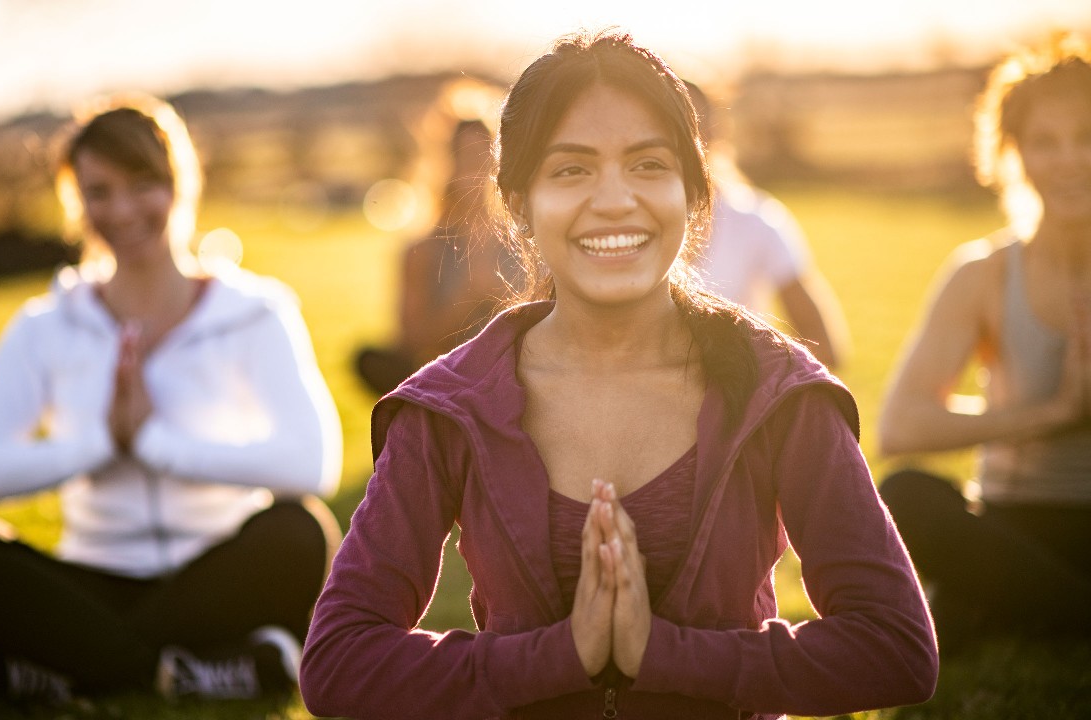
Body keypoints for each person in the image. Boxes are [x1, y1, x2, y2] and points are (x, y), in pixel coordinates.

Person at [301, 31, 936, 720]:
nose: (614, 201)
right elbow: (339, 664)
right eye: (571, 170)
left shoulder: (776, 390)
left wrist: (660, 653)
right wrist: (561, 656)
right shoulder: (449, 406)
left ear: (695, 193)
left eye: (648, 164)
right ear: (517, 203)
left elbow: (894, 648)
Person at [0, 94, 343, 705]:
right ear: (76, 201)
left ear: (180, 184)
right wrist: (101, 443)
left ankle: (61, 669)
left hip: (216, 571)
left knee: (299, 531)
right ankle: (202, 668)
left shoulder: (255, 312)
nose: (122, 209)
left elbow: (311, 461)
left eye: (143, 185)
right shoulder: (47, 324)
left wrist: (157, 444)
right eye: (99, 191)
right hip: (91, 579)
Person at [877, 32, 1091, 654]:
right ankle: (1060, 607)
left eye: (1087, 136)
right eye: (1045, 142)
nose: (1070, 159)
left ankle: (1029, 608)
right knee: (906, 495)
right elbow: (901, 426)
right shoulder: (983, 274)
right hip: (1013, 523)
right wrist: (1053, 415)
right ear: (1013, 154)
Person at [685, 80, 850, 370]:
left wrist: (756, 394)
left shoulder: (756, 220)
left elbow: (823, 342)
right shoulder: (617, 223)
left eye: (693, 127)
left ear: (716, 132)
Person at [354, 118, 518, 395]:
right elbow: (411, 345)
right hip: (450, 391)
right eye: (465, 159)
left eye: (484, 159)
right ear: (444, 167)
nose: (476, 173)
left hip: (514, 386)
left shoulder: (523, 244)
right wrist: (469, 294)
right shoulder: (422, 250)